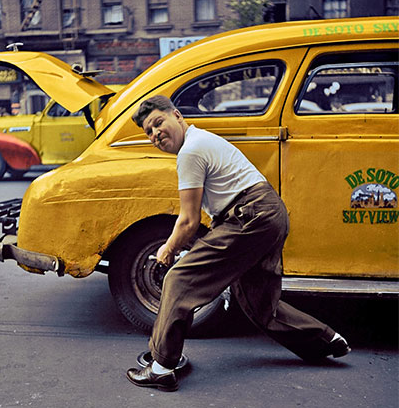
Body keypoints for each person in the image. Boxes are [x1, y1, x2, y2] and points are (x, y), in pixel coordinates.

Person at [125, 95, 349, 392]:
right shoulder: (200, 141)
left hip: (250, 216)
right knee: (258, 304)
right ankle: (325, 340)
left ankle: (162, 367)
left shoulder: (190, 151)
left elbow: (188, 221)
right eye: (148, 133)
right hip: (266, 213)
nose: (155, 135)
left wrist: (167, 250)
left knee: (180, 278)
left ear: (177, 116)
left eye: (158, 123)